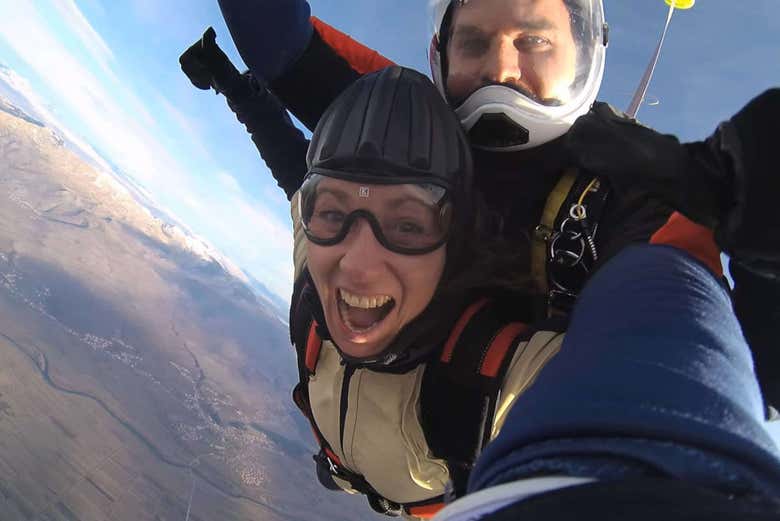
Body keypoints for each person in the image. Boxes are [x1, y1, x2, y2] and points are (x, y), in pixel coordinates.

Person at [211, 0, 780, 408]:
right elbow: (280, 44)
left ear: (584, 55)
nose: (500, 68)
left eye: (534, 40)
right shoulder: (406, 128)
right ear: (442, 54)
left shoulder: (628, 199)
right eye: (474, 42)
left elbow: (681, 347)